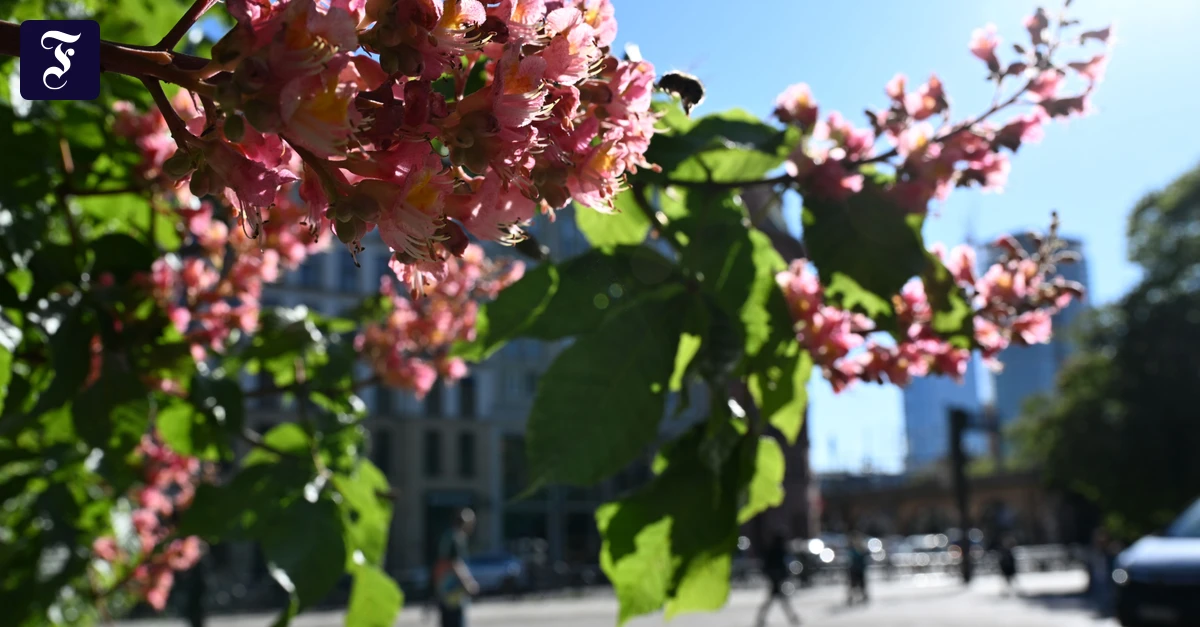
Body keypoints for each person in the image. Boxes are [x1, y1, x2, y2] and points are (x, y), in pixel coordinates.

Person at [432, 509, 480, 627]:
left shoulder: (449, 535)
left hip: (444, 589)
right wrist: (468, 583)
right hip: (452, 591)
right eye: (471, 523)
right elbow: (455, 563)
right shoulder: (456, 537)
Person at [755, 535, 801, 626]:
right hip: (777, 579)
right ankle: (792, 618)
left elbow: (765, 565)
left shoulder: (772, 550)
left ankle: (761, 618)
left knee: (774, 600)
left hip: (774, 578)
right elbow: (785, 564)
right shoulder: (780, 550)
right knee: (779, 600)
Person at [846, 533, 869, 605]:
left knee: (862, 584)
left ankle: (864, 596)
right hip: (854, 570)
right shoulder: (851, 549)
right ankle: (850, 597)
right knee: (852, 585)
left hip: (860, 570)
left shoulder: (862, 548)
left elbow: (866, 556)